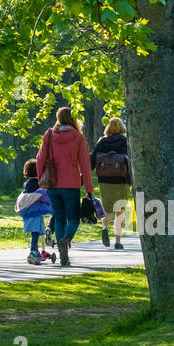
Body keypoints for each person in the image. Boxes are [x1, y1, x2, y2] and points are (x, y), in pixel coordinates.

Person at [35, 107, 94, 266]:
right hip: (72, 185)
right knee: (73, 218)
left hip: (53, 184)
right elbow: (85, 166)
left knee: (59, 219)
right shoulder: (78, 137)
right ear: (72, 118)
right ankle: (66, 241)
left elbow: (40, 159)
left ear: (58, 118)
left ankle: (63, 253)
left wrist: (42, 180)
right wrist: (89, 189)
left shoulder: (49, 136)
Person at [92, 116, 131, 251]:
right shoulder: (125, 142)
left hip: (105, 181)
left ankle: (105, 227)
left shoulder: (101, 142)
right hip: (121, 180)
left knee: (108, 209)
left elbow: (92, 161)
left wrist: (83, 177)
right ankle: (118, 241)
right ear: (121, 128)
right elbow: (131, 163)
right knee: (119, 211)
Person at [15, 160, 54, 264]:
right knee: (35, 233)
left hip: (30, 212)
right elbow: (45, 197)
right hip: (34, 213)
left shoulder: (27, 184)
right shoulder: (39, 184)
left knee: (36, 232)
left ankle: (36, 251)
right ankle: (33, 252)